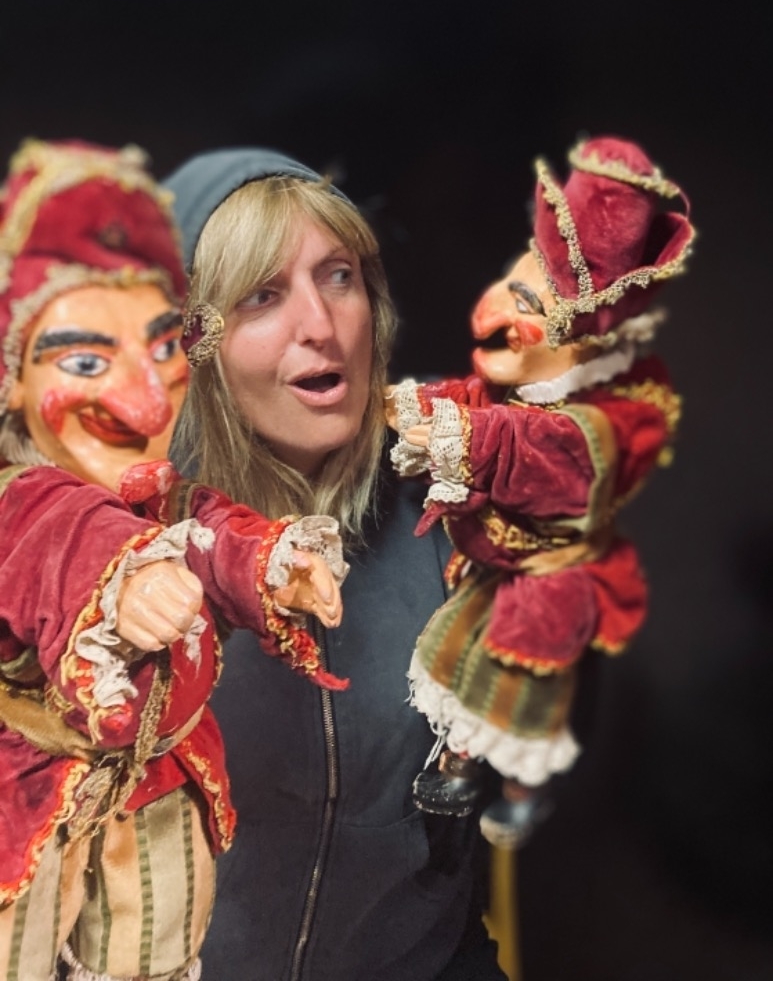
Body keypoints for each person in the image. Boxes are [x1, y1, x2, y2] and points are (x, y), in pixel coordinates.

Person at [0, 140, 347, 981]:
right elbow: (60, 533)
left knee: (152, 953)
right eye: (86, 362)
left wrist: (272, 565)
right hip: (28, 793)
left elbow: (211, 532)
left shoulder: (163, 494)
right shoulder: (20, 501)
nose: (148, 403)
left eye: (162, 353)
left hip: (159, 783)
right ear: (13, 379)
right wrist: (129, 582)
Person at [164, 148, 508, 981]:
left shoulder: (455, 512)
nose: (319, 325)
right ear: (185, 343)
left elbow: (454, 870)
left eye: (339, 277)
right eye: (261, 295)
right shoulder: (116, 545)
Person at [387, 136, 695, 847]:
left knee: (516, 695)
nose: (496, 302)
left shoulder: (603, 423)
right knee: (457, 657)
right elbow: (468, 401)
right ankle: (456, 763)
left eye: (526, 298)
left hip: (547, 588)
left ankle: (519, 795)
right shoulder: (517, 388)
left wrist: (465, 437)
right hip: (494, 568)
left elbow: (540, 453)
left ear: (581, 341)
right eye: (509, 280)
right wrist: (407, 408)